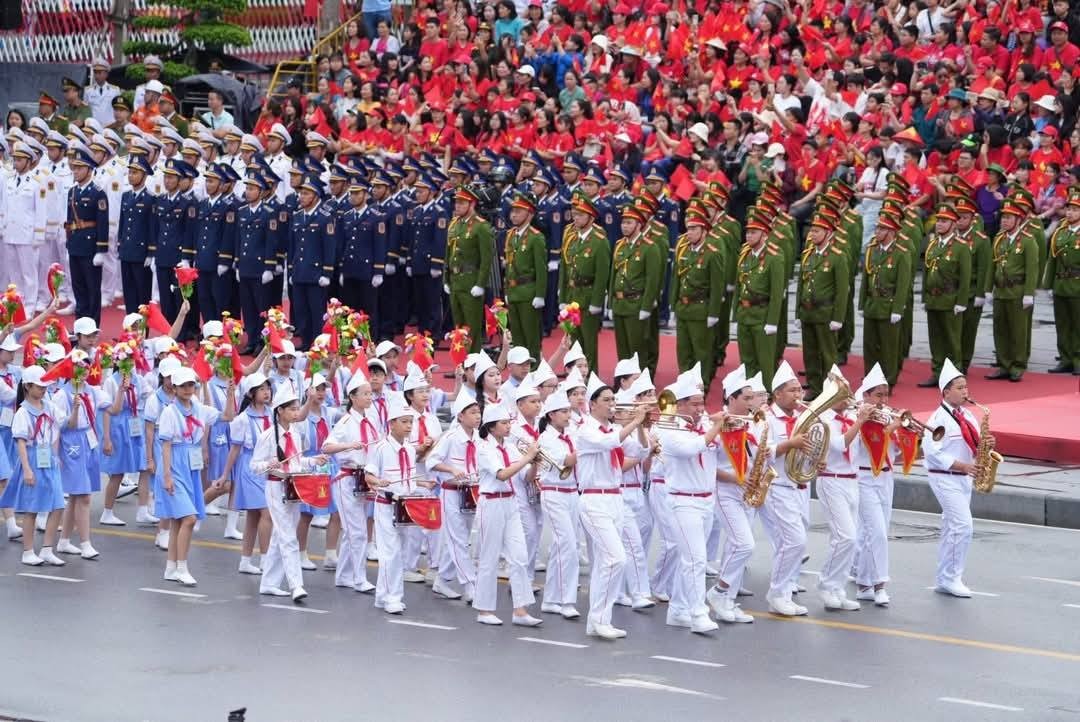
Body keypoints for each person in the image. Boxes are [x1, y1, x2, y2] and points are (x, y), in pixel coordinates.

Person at [575, 372, 646, 640]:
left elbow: (639, 452)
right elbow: (608, 443)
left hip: (615, 498)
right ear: (592, 405)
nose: (612, 404)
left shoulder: (615, 429)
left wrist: (640, 426)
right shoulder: (586, 430)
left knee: (607, 562)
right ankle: (598, 619)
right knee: (616, 558)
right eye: (607, 400)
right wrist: (634, 421)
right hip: (594, 499)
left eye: (613, 399)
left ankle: (599, 620)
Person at [655, 367, 724, 634]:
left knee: (693, 558)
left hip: (706, 499)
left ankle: (678, 609)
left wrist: (723, 428)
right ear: (679, 404)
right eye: (694, 404)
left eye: (701, 403)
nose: (700, 408)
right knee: (695, 559)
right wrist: (716, 426)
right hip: (683, 501)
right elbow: (690, 448)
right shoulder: (668, 428)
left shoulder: (704, 425)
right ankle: (698, 612)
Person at [251, 384, 329, 602]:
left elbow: (295, 462)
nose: (297, 413)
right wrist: (269, 462)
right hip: (276, 487)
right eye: (292, 409)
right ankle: (296, 585)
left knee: (281, 535)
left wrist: (313, 460)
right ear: (280, 411)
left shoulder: (295, 433)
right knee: (288, 537)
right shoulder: (268, 436)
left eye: (297, 408)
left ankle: (269, 583)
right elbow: (254, 465)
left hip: (294, 487)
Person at [473, 402, 544, 626]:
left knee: (520, 556)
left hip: (511, 503)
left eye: (508, 422)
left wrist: (535, 464)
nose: (508, 427)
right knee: (489, 558)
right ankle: (484, 610)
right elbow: (502, 474)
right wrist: (527, 457)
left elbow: (524, 477)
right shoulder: (484, 448)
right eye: (504, 423)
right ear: (492, 427)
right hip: (491, 503)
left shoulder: (512, 447)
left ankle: (520, 611)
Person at [922, 359, 987, 598]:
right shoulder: (937, 419)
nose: (965, 392)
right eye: (959, 388)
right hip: (945, 476)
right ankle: (952, 578)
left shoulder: (968, 415)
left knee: (952, 526)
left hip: (963, 477)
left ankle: (944, 577)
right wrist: (963, 466)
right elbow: (932, 452)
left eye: (966, 387)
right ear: (945, 392)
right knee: (963, 525)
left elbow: (976, 443)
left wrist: (986, 449)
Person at [364, 395, 435, 614]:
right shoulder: (381, 448)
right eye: (404, 422)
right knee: (390, 553)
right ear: (391, 423)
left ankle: (383, 596)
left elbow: (407, 479)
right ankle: (392, 597)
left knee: (399, 553)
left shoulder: (411, 450)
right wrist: (379, 482)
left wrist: (422, 482)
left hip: (406, 507)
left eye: (410, 422)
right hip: (386, 505)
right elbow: (369, 477)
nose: (408, 426)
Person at [157, 367, 221, 586]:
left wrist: (230, 393)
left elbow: (227, 416)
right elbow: (165, 445)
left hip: (191, 466)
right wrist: (166, 476)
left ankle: (171, 567)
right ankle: (183, 567)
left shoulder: (200, 409)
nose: (187, 389)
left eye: (191, 385)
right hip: (175, 465)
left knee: (178, 520)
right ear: (174, 388)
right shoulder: (169, 412)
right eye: (183, 386)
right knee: (189, 519)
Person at [706, 367, 758, 624]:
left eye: (752, 398)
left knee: (737, 547)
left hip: (745, 490)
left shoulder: (750, 424)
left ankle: (726, 600)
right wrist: (736, 478)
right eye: (747, 398)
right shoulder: (716, 423)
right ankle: (718, 591)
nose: (751, 403)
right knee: (745, 543)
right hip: (725, 491)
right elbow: (706, 465)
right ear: (732, 398)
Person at [0, 366, 66, 566]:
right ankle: (28, 551)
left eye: (45, 386)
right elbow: (20, 442)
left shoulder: (49, 406)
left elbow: (58, 427)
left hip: (49, 461)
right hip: (33, 460)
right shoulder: (22, 412)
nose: (43, 390)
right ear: (27, 387)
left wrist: (55, 454)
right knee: (32, 508)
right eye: (39, 386)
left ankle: (47, 549)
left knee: (57, 506)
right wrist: (27, 469)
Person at [760, 361, 811, 616]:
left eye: (799, 389)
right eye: (791, 390)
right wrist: (791, 443)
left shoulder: (802, 417)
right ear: (777, 394)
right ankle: (776, 592)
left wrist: (816, 459)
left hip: (798, 485)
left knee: (793, 543)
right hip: (777, 485)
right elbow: (763, 452)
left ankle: (786, 591)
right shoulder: (766, 419)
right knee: (794, 541)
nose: (797, 394)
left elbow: (811, 448)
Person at [322, 367, 379, 593]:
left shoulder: (371, 420)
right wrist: (348, 446)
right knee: (357, 531)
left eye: (370, 393)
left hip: (364, 478)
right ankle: (359, 577)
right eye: (364, 393)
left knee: (353, 530)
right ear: (353, 397)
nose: (369, 397)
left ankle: (344, 576)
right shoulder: (346, 422)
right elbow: (327, 447)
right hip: (346, 479)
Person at [850, 363, 901, 606]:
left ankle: (863, 584)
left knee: (874, 533)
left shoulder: (888, 415)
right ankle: (880, 584)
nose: (883, 400)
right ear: (866, 395)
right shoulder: (857, 416)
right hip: (864, 478)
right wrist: (890, 428)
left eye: (886, 394)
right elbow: (863, 443)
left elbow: (896, 451)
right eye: (878, 395)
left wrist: (905, 435)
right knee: (877, 533)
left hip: (886, 478)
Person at [427, 393, 483, 601]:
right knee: (458, 541)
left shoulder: (479, 438)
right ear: (460, 416)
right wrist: (451, 469)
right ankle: (471, 585)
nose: (477, 417)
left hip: (471, 493)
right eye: (472, 413)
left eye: (478, 412)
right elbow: (432, 461)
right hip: (451, 494)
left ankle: (441, 581)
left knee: (460, 540)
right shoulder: (450, 437)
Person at [217, 373, 272, 572]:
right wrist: (225, 475)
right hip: (250, 466)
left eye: (267, 388)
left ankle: (245, 561)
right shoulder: (242, 419)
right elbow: (235, 450)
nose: (266, 392)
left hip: (268, 466)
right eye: (262, 389)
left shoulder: (272, 413)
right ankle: (266, 560)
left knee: (253, 517)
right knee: (266, 512)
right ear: (251, 393)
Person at [536, 390, 580, 618]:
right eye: (564, 411)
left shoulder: (572, 433)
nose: (568, 415)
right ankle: (566, 600)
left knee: (561, 547)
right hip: (554, 493)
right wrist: (592, 446)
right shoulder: (546, 438)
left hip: (573, 493)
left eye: (569, 411)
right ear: (551, 415)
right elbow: (570, 460)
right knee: (568, 545)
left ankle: (551, 599)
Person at [918, 205, 973, 387]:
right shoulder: (933, 245)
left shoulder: (961, 247)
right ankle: (937, 372)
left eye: (944, 221)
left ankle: (954, 376)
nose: (939, 224)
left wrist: (962, 301)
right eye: (938, 220)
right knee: (935, 339)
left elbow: (965, 277)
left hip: (950, 299)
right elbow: (927, 273)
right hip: (934, 299)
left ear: (953, 224)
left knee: (952, 340)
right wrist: (924, 298)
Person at [797, 216, 850, 399]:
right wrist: (798, 311)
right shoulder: (808, 255)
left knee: (828, 354)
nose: (812, 235)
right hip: (808, 311)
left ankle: (832, 389)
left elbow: (842, 290)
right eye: (811, 230)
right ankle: (814, 387)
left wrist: (838, 317)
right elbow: (801, 285)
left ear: (829, 233)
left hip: (825, 312)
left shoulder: (837, 256)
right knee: (809, 352)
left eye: (817, 231)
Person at [986, 201, 1039, 382]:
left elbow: (1032, 269)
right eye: (1003, 217)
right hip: (1000, 291)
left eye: (1009, 218)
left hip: (1017, 290)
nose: (1004, 221)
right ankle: (1003, 364)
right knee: (1000, 330)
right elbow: (992, 266)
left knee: (1018, 331)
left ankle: (1017, 365)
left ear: (1018, 219)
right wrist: (988, 289)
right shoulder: (999, 239)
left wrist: (1029, 293)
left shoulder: (1027, 240)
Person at [672, 206, 724, 388]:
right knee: (684, 352)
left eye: (694, 229)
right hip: (684, 308)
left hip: (701, 308)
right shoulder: (684, 251)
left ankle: (702, 387)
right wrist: (674, 305)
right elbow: (677, 280)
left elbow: (717, 286)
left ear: (704, 231)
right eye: (688, 228)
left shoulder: (712, 253)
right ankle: (685, 385)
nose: (690, 232)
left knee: (702, 352)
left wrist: (713, 313)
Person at [859, 213, 912, 387]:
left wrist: (898, 309)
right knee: (870, 346)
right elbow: (865, 279)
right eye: (877, 228)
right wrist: (861, 304)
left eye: (881, 228)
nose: (877, 232)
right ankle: (870, 379)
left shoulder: (901, 253)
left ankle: (888, 381)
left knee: (889, 348)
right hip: (872, 305)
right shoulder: (872, 250)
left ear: (891, 231)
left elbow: (903, 284)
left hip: (888, 306)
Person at [558, 195, 610, 372]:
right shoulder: (571, 238)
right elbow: (565, 269)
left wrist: (597, 302)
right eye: (575, 214)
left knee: (588, 343)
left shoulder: (599, 241)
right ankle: (575, 375)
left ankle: (591, 375)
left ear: (590, 217)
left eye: (580, 214)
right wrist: (563, 297)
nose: (576, 217)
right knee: (572, 341)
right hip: (573, 296)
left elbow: (602, 275)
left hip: (588, 298)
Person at [610, 204, 663, 372]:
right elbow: (614, 275)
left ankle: (641, 384)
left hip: (636, 303)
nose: (625, 226)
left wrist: (647, 306)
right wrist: (611, 302)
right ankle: (624, 381)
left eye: (629, 223)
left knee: (638, 349)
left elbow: (652, 279)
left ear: (639, 224)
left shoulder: (649, 247)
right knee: (622, 348)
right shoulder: (620, 245)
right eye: (623, 222)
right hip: (620, 303)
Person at [735, 215, 784, 389]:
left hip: (762, 315)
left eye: (753, 232)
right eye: (747, 232)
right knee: (747, 360)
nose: (748, 236)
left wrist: (772, 322)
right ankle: (750, 394)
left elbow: (777, 293)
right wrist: (736, 312)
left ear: (764, 235)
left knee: (765, 361)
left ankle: (767, 394)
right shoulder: (745, 254)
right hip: (745, 314)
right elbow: (739, 284)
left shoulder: (774, 257)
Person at [446, 185, 494, 354]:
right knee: (458, 326)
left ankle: (473, 360)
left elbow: (486, 259)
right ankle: (461, 361)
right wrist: (446, 279)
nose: (457, 206)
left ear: (471, 204)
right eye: (456, 202)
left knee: (472, 326)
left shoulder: (481, 227)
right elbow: (449, 253)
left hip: (471, 280)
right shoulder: (455, 224)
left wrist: (480, 283)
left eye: (461, 203)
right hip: (456, 281)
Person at [503, 192, 547, 364]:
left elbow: (540, 269)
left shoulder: (536, 237)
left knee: (531, 337)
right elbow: (508, 266)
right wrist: (507, 290)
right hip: (514, 292)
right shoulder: (511, 235)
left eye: (519, 211)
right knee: (518, 337)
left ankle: (535, 370)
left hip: (529, 292)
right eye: (513, 211)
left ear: (530, 214)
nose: (513, 214)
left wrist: (540, 294)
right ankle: (520, 371)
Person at [1044, 195, 1080, 374]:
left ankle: (1078, 359)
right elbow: (1053, 260)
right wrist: (1049, 285)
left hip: (1077, 285)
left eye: (1075, 209)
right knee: (1062, 324)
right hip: (1060, 284)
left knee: (1077, 325)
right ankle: (1065, 358)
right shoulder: (1061, 232)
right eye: (1069, 209)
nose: (1071, 213)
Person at [85, 57, 121, 126]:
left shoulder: (115, 90)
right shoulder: (88, 91)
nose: (97, 76)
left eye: (99, 73)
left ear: (106, 74)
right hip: (93, 127)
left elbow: (118, 110)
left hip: (110, 126)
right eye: (95, 73)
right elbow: (86, 110)